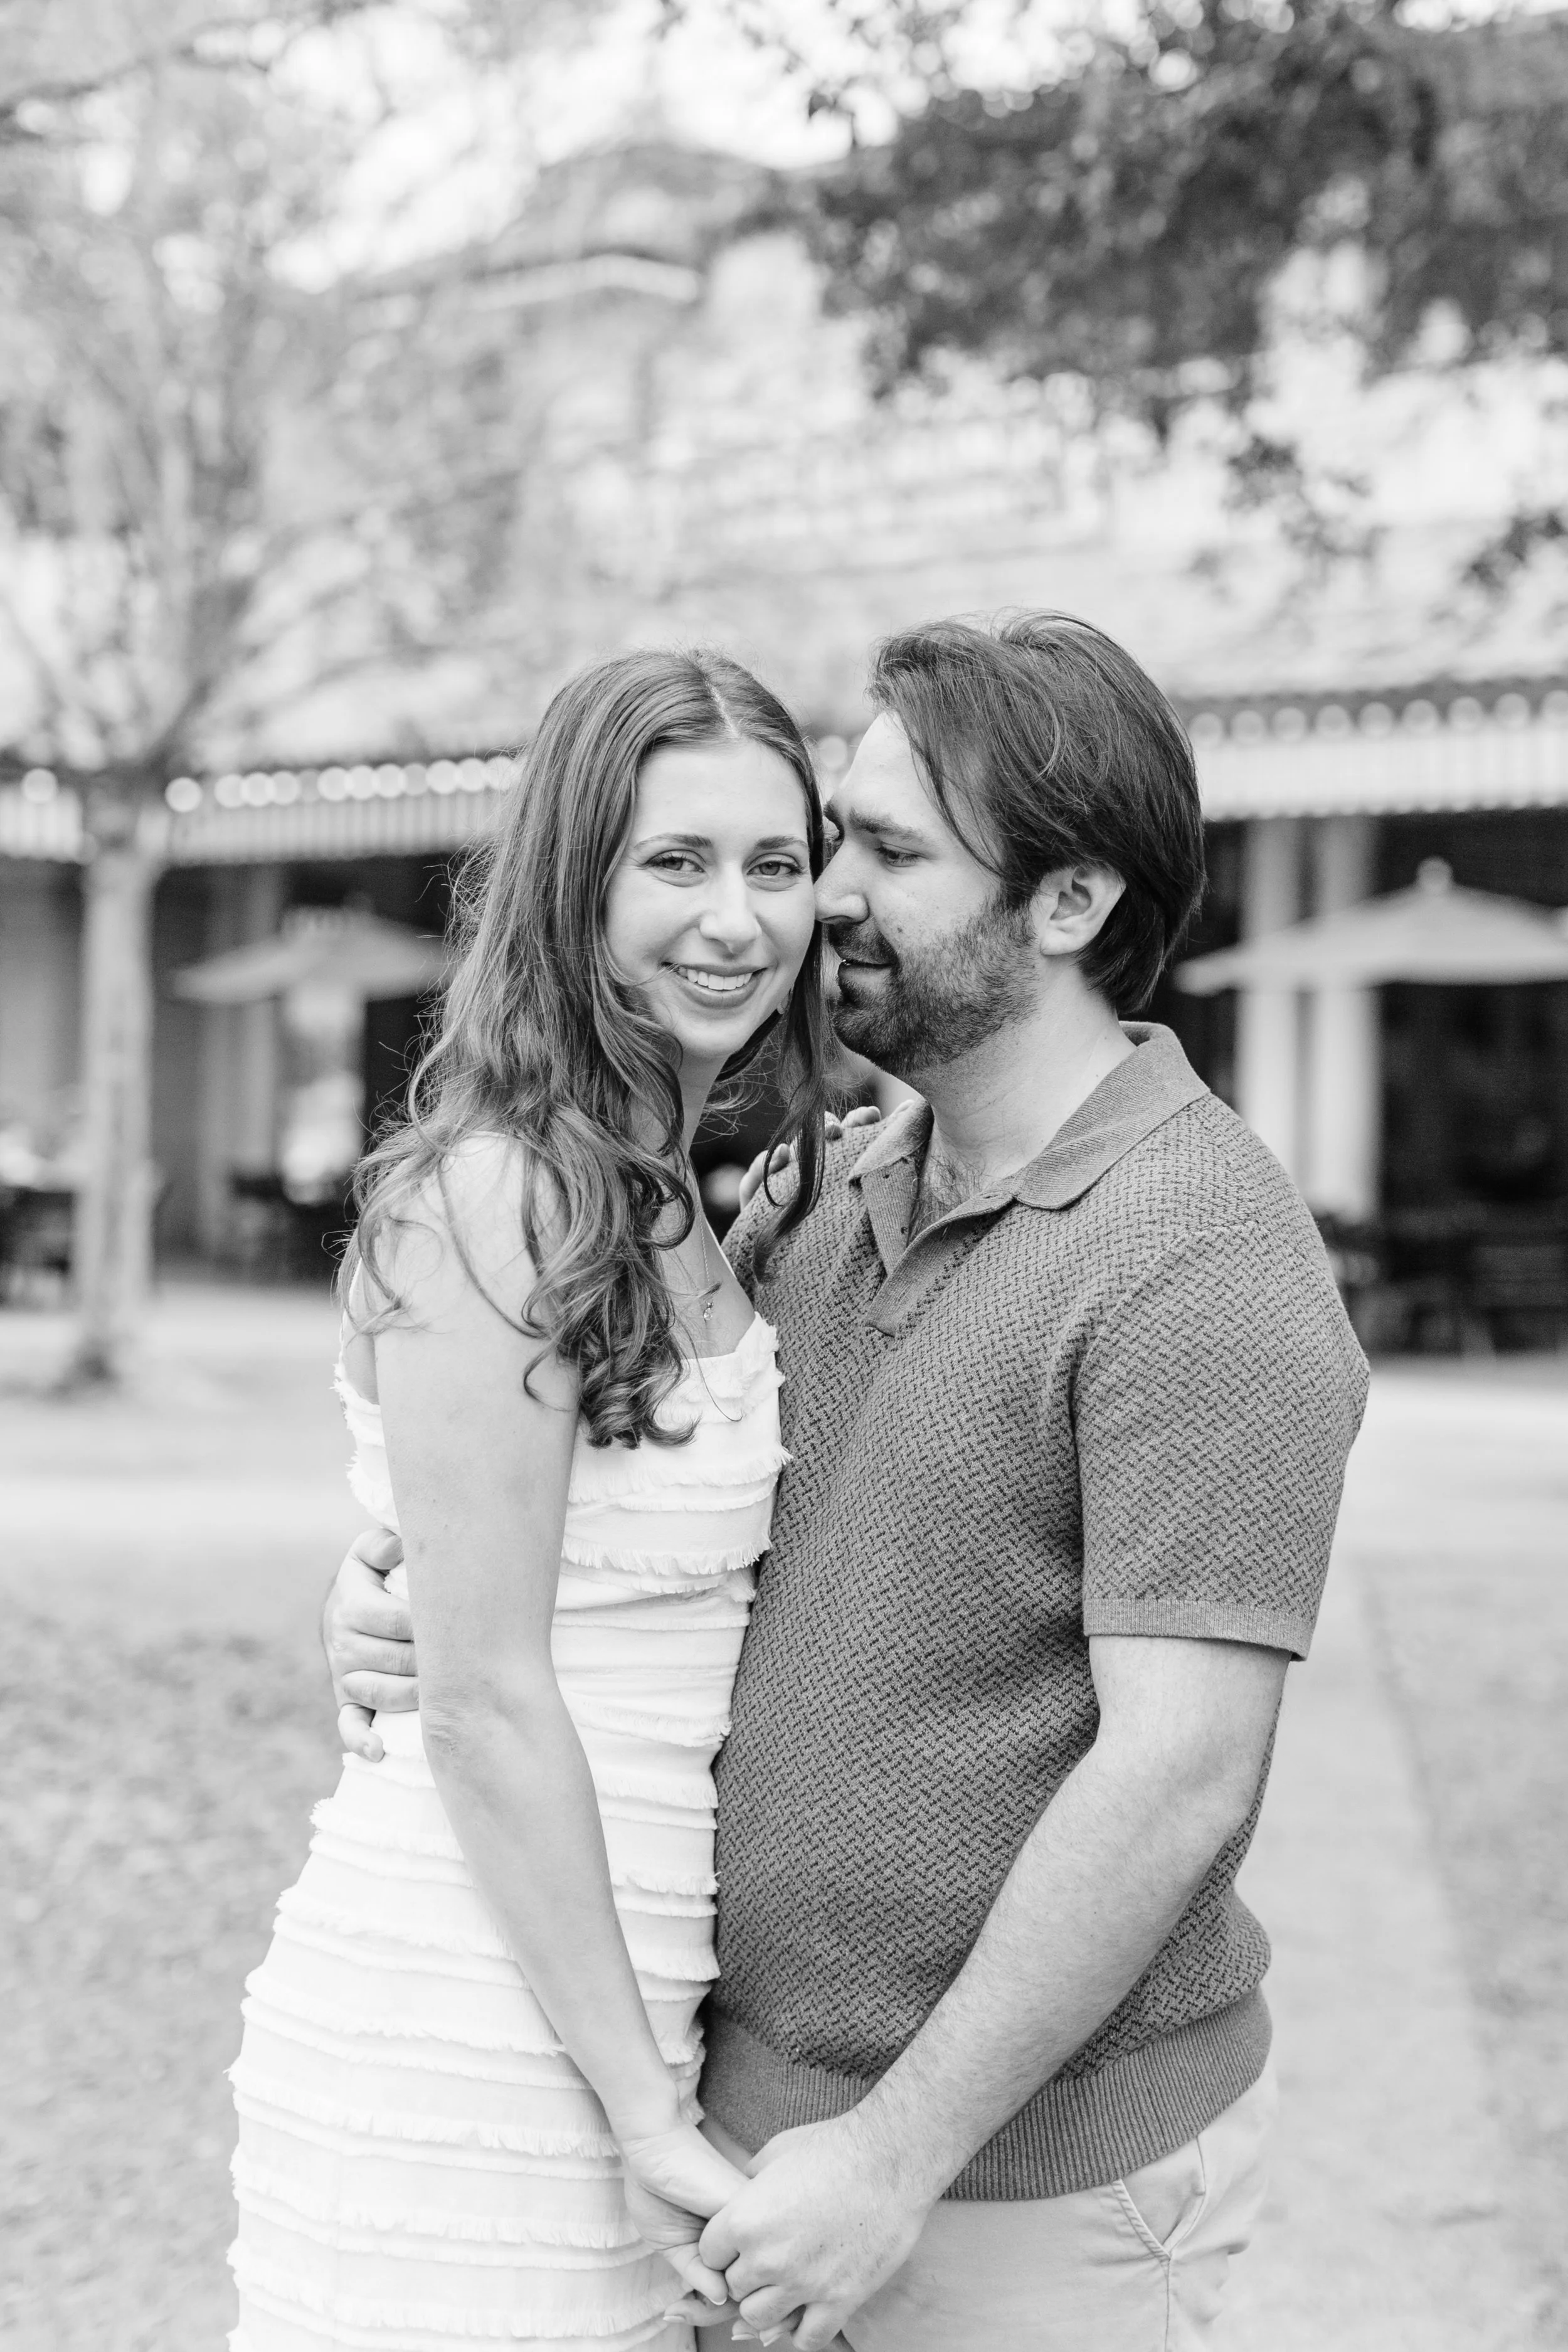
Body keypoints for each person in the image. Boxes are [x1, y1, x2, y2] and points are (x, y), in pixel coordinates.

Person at [324, 613, 1370, 2352]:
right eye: (834, 844)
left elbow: (1179, 1774)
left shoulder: (1200, 1245)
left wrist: (892, 2153)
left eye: (880, 853)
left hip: (1022, 2186)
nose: (816, 901)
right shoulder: (805, 1196)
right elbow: (624, 1520)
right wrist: (389, 1584)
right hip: (735, 2134)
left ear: (1065, 904)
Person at [227, 647, 834, 2351]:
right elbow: (486, 1695)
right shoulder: (499, 1191)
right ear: (573, 881)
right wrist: (643, 2113)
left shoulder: (687, 1204)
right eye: (677, 861)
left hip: (629, 2001)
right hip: (469, 2013)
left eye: (775, 865)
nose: (737, 918)